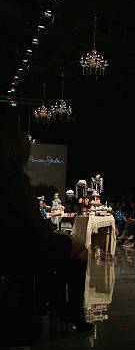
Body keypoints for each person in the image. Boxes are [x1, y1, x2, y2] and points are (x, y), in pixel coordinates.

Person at [0, 126, 92, 333]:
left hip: (9, 244)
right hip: (20, 249)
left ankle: (55, 301)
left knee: (62, 245)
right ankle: (73, 311)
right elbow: (34, 227)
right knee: (80, 247)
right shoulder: (16, 183)